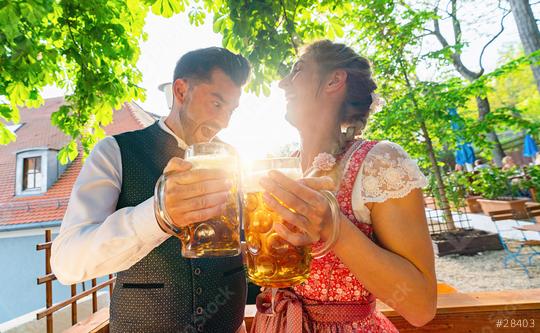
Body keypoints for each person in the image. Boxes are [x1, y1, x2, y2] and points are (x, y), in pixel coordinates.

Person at [51, 47, 251, 333]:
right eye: (217, 104)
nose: (223, 122)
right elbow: (67, 262)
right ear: (181, 91)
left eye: (231, 110)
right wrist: (158, 215)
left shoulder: (233, 158)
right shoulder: (115, 151)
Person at [250, 40, 436, 332]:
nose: (282, 83)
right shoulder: (288, 168)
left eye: (297, 70)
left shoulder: (380, 162)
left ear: (334, 80)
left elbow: (421, 307)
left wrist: (333, 227)